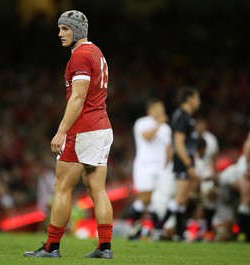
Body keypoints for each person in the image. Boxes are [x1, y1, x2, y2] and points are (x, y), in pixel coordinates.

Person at [23, 10, 114, 259]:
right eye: (60, 28)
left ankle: (52, 247)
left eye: (65, 29)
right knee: (97, 188)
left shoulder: (80, 56)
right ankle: (105, 247)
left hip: (83, 129)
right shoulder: (96, 51)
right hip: (102, 126)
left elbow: (78, 97)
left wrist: (61, 131)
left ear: (78, 30)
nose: (60, 33)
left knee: (62, 187)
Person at [153, 86, 201, 241]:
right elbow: (178, 143)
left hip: (187, 161)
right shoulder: (181, 116)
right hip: (183, 162)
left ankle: (179, 233)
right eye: (197, 98)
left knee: (183, 199)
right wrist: (188, 164)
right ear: (189, 99)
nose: (198, 101)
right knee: (180, 199)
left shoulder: (188, 117)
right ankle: (159, 229)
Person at [128, 99, 172, 240]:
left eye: (162, 108)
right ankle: (135, 226)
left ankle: (155, 231)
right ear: (150, 111)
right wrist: (159, 123)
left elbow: (168, 149)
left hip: (160, 168)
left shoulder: (166, 128)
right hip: (144, 165)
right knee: (145, 197)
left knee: (156, 199)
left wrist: (168, 166)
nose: (160, 112)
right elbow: (147, 137)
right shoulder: (142, 123)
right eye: (157, 109)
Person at [194, 119, 219, 241]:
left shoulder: (211, 138)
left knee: (210, 195)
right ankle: (199, 230)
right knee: (201, 201)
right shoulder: (190, 136)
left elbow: (214, 158)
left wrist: (215, 175)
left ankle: (207, 229)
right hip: (194, 183)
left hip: (207, 175)